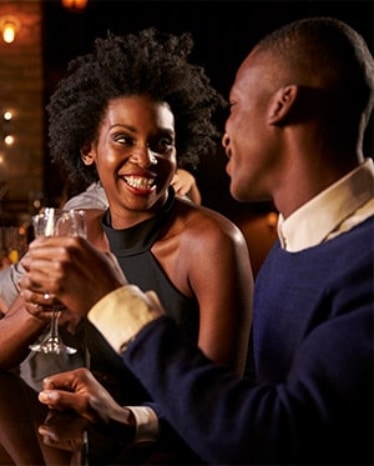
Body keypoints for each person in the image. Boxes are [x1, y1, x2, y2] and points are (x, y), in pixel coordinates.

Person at [21, 16, 374, 465]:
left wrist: (114, 303)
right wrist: (129, 419)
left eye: (236, 106)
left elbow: (274, 437)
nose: (224, 135)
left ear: (283, 104)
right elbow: (238, 409)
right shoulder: (296, 246)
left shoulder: (363, 263)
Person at [0, 28, 253, 465]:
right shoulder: (79, 232)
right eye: (123, 139)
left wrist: (123, 417)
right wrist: (41, 309)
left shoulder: (212, 242)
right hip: (98, 445)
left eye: (162, 143)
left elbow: (218, 408)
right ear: (87, 150)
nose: (146, 158)